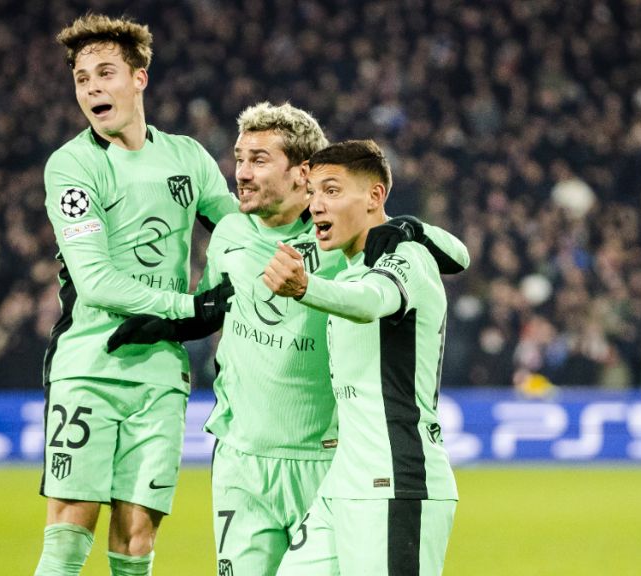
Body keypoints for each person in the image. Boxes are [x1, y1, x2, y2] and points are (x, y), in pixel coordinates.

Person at [107, 102, 468, 575]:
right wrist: (168, 321)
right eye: (239, 158)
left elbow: (422, 272)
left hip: (330, 456)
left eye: (259, 160)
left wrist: (408, 228)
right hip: (247, 455)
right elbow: (216, 303)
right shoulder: (232, 234)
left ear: (300, 173)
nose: (242, 172)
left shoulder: (356, 248)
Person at [35, 14, 237, 576]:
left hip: (161, 375)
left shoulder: (188, 158)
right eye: (82, 79)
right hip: (89, 366)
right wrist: (189, 309)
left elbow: (240, 234)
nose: (92, 88)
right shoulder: (73, 165)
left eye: (106, 73)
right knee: (68, 536)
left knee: (137, 541)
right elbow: (96, 281)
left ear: (139, 79)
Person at [264, 140, 458, 575]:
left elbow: (372, 301)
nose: (315, 204)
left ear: (375, 196)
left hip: (395, 480)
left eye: (331, 190)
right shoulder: (352, 268)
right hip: (344, 482)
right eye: (312, 192)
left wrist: (305, 287)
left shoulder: (406, 257)